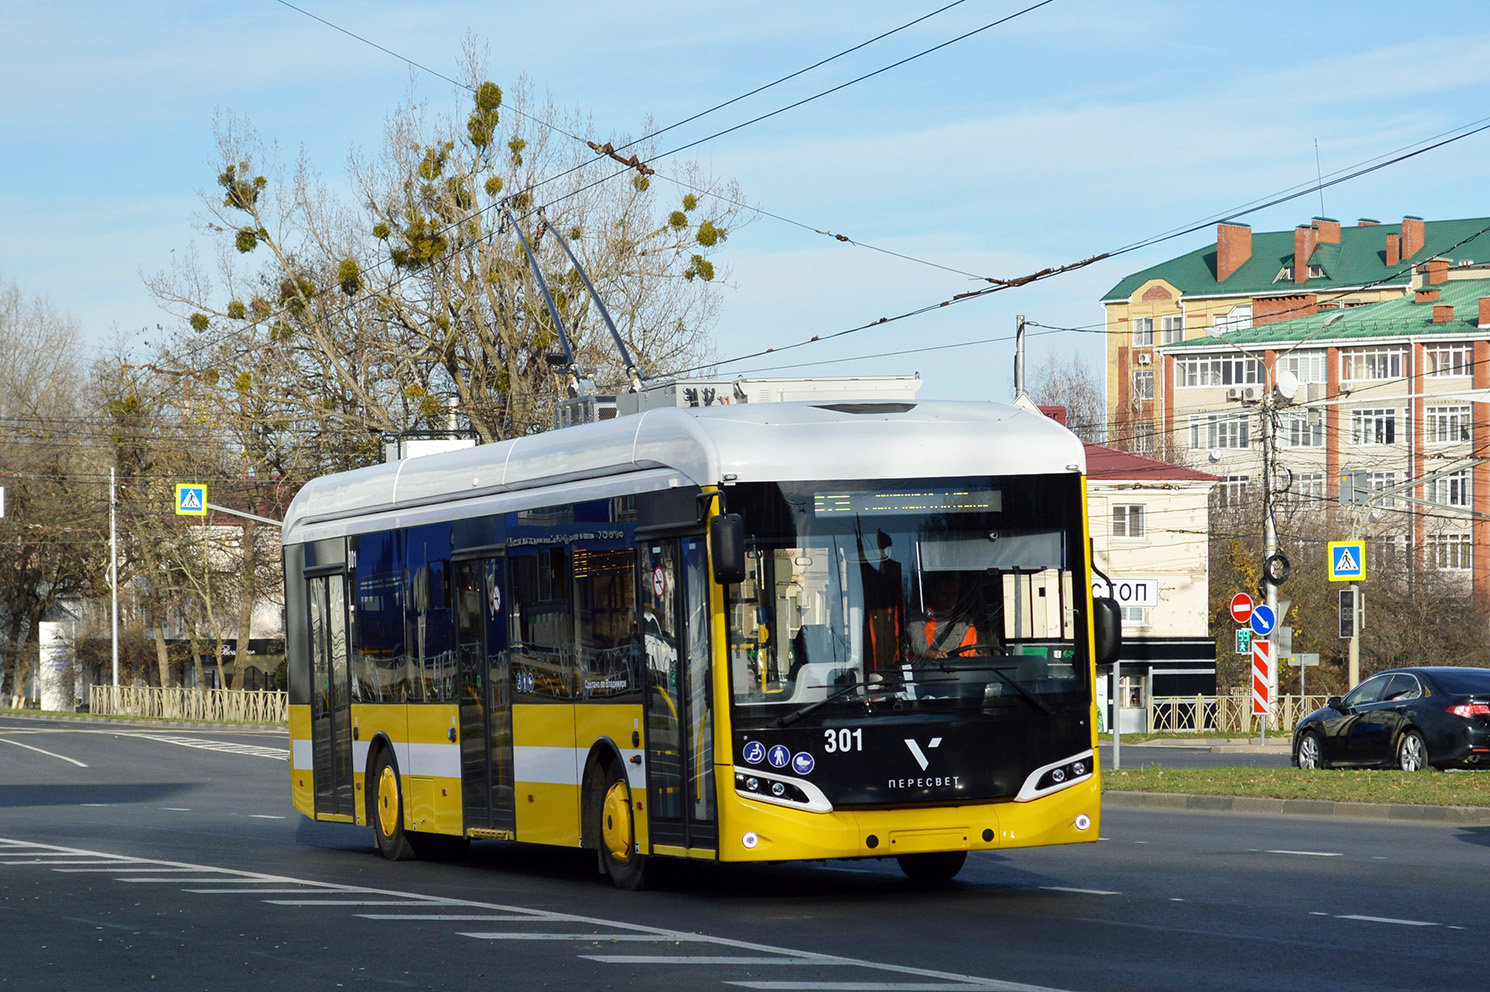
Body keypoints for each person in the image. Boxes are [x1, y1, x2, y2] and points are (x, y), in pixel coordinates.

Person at [909, 573, 981, 658]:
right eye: (945, 594)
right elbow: (917, 645)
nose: (949, 599)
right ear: (935, 594)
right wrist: (930, 654)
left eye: (953, 595)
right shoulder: (920, 617)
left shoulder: (965, 621)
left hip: (957, 668)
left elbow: (968, 653)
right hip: (925, 668)